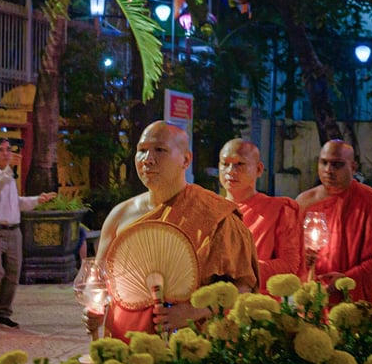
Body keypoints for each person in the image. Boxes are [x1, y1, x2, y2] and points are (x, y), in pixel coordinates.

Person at [91, 122, 259, 341]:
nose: (147, 159)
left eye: (159, 150)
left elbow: (244, 287)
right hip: (125, 344)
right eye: (142, 150)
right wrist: (94, 309)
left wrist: (195, 311)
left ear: (186, 160)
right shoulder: (119, 215)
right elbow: (98, 281)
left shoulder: (216, 215)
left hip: (189, 348)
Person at [297, 140, 372, 302]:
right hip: (313, 296)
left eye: (337, 164)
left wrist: (347, 280)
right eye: (323, 163)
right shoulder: (304, 202)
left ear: (353, 167)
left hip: (356, 300)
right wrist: (304, 260)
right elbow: (289, 251)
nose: (328, 170)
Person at [0, 139, 57, 329]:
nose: (5, 153)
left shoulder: (9, 177)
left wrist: (38, 200)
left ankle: (2, 313)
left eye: (8, 150)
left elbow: (15, 202)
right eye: (0, 150)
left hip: (13, 232)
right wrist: (9, 170)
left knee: (12, 275)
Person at [218, 139, 303, 294]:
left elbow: (290, 265)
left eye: (239, 164)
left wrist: (241, 270)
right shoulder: (210, 210)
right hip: (214, 306)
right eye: (225, 164)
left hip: (258, 307)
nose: (230, 171)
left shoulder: (279, 209)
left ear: (258, 169)